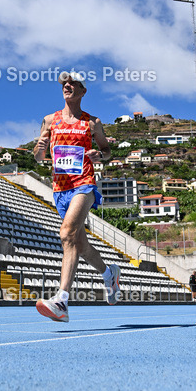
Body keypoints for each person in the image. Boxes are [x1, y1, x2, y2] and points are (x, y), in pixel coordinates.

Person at [33, 71, 120, 323]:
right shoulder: (49, 120)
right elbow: (39, 158)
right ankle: (108, 273)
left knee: (66, 233)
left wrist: (99, 156)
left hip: (84, 184)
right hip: (60, 189)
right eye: (64, 83)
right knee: (79, 244)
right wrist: (39, 149)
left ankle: (61, 300)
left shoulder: (92, 123)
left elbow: (107, 152)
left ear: (83, 92)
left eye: (73, 83)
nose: (67, 86)